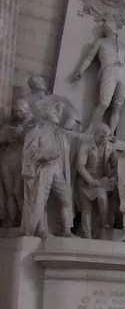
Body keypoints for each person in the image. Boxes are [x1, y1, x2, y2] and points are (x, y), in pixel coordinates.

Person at [70, 21, 125, 133]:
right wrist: (80, 71)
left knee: (117, 106)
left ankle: (111, 133)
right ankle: (90, 129)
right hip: (109, 71)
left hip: (123, 75)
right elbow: (89, 58)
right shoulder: (101, 42)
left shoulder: (123, 46)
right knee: (104, 103)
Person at [21, 102, 77, 238]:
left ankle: (66, 229)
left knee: (66, 198)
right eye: (54, 112)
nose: (57, 115)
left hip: (57, 169)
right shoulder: (37, 130)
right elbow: (29, 151)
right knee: (41, 199)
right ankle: (39, 229)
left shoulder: (60, 134)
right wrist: (46, 155)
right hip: (44, 168)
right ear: (47, 115)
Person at [0, 99, 32, 228]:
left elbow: (33, 141)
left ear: (27, 110)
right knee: (9, 192)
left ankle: (24, 222)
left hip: (21, 158)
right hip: (7, 158)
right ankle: (11, 220)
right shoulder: (8, 125)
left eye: (19, 110)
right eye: (14, 111)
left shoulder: (32, 124)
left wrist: (21, 135)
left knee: (18, 191)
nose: (16, 114)